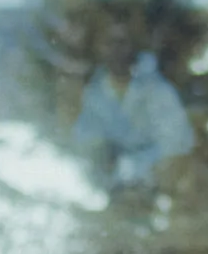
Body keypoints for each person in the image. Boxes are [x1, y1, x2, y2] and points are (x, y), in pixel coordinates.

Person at [73, 23, 194, 191]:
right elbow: (85, 141)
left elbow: (178, 143)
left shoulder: (158, 90)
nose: (116, 51)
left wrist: (135, 164)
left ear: (134, 47)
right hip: (112, 193)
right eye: (109, 43)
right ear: (98, 48)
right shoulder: (94, 94)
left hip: (157, 188)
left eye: (122, 42)